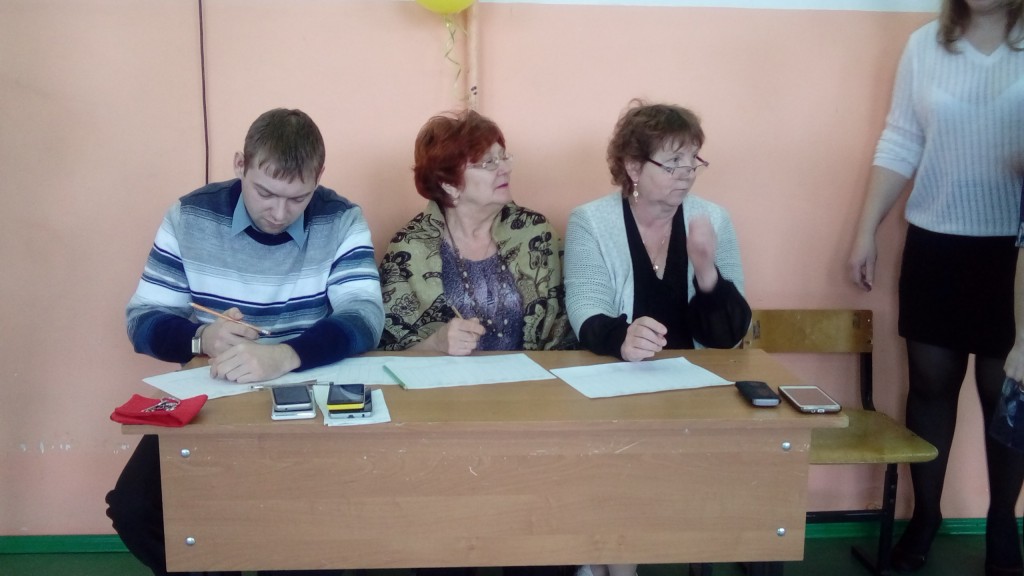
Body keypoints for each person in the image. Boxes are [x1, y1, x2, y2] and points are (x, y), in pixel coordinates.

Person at [106, 108, 384, 576]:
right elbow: (142, 320)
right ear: (240, 164)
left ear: (319, 177)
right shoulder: (190, 215)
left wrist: (284, 356)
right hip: (214, 392)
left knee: (299, 534)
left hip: (306, 393)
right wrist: (202, 337)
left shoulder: (341, 219)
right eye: (265, 192)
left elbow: (366, 316)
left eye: (298, 198)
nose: (279, 213)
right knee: (135, 509)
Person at [847, 1, 1024, 573]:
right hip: (935, 245)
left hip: (1015, 253)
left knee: (1007, 393)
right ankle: (926, 516)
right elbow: (901, 140)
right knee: (929, 387)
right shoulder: (926, 44)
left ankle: (1003, 524)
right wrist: (866, 231)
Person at [564, 101, 751, 576]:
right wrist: (623, 338)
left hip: (697, 391)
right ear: (633, 167)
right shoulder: (591, 221)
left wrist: (707, 272)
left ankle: (610, 563)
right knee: (619, 450)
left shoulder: (712, 219)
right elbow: (585, 310)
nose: (686, 173)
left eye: (692, 160)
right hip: (618, 386)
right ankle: (613, 562)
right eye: (672, 162)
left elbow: (729, 336)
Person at [378, 109, 574, 356]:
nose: (504, 169)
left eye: (503, 157)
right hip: (444, 381)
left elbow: (566, 330)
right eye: (488, 162)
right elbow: (388, 352)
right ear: (449, 184)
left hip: (533, 378)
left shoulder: (535, 233)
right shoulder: (409, 248)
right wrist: (435, 344)